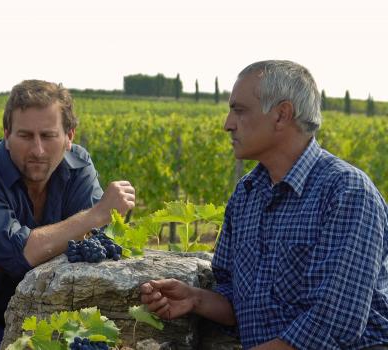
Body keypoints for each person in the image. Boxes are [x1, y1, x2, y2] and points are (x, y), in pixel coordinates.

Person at [140, 60, 388, 349]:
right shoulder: (246, 195)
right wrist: (195, 299)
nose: (227, 124)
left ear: (282, 115)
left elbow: (332, 324)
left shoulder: (346, 192)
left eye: (239, 110)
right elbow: (239, 301)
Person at [0, 79, 136, 349]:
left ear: (69, 137)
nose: (38, 150)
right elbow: (23, 254)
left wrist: (71, 234)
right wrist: (95, 215)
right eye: (25, 136)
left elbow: (94, 245)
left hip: (43, 312)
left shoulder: (77, 165)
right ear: (7, 135)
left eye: (49, 136)